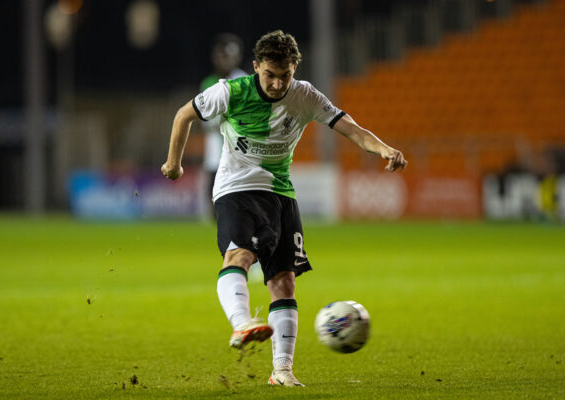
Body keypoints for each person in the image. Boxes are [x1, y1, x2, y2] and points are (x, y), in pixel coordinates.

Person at [161, 30, 407, 387]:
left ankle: (282, 372)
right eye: (270, 75)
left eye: (285, 75)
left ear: (295, 69)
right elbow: (184, 115)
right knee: (239, 256)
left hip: (280, 193)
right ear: (256, 66)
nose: (277, 83)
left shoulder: (305, 95)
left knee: (284, 282)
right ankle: (242, 323)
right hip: (236, 188)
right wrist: (174, 164)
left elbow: (349, 128)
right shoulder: (231, 91)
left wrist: (383, 149)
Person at [200, 34, 247, 209]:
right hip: (214, 154)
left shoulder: (243, 80)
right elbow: (206, 120)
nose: (224, 60)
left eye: (229, 56)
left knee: (237, 203)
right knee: (213, 202)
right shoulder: (208, 83)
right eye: (222, 55)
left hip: (238, 152)